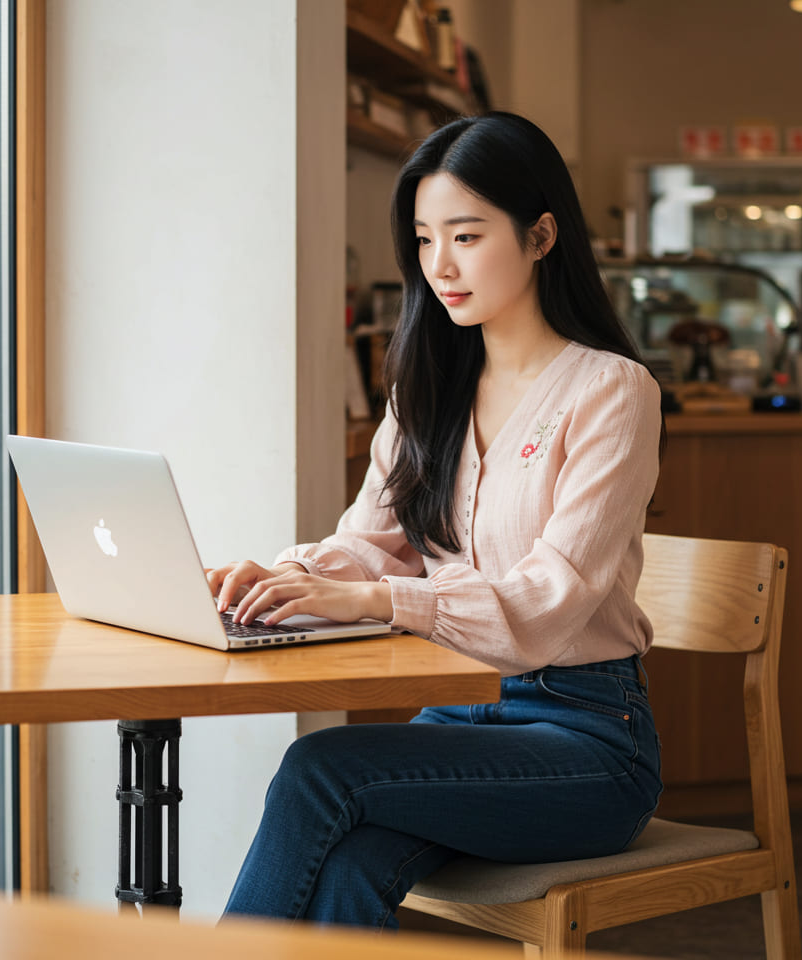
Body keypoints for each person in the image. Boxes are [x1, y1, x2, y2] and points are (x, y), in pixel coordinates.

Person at [206, 111, 664, 930]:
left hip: (588, 740)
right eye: (423, 239)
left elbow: (546, 603)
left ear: (540, 234)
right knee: (348, 863)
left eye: (466, 235)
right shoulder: (427, 388)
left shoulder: (612, 391)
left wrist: (379, 603)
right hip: (459, 712)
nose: (440, 265)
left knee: (322, 767)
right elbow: (371, 542)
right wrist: (293, 577)